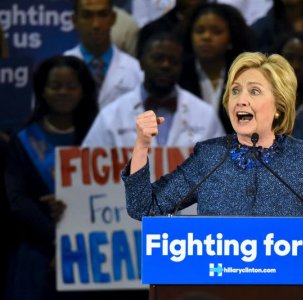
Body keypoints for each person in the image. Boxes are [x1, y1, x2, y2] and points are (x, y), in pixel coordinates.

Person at [121, 51, 303, 254]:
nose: (241, 101)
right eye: (235, 91)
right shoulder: (210, 156)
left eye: (254, 92)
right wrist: (141, 145)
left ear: (279, 107)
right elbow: (144, 208)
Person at [3, 55, 98, 300]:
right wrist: (57, 238)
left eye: (71, 86)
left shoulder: (98, 136)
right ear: (42, 91)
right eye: (55, 86)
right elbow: (16, 199)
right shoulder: (23, 140)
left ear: (82, 91)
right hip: (38, 252)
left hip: (91, 252)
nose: (63, 92)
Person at [82, 31, 224, 147]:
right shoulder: (112, 115)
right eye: (157, 59)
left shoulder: (205, 115)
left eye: (173, 61)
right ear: (142, 63)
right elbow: (87, 167)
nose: (165, 66)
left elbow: (223, 169)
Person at [178, 2, 256, 133]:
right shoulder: (180, 73)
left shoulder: (245, 74)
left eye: (216, 32)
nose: (206, 37)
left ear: (231, 38)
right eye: (199, 31)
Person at [65, 0, 143, 109]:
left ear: (113, 18)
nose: (96, 24)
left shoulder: (135, 70)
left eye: (102, 15)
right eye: (87, 16)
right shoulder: (62, 67)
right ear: (75, 20)